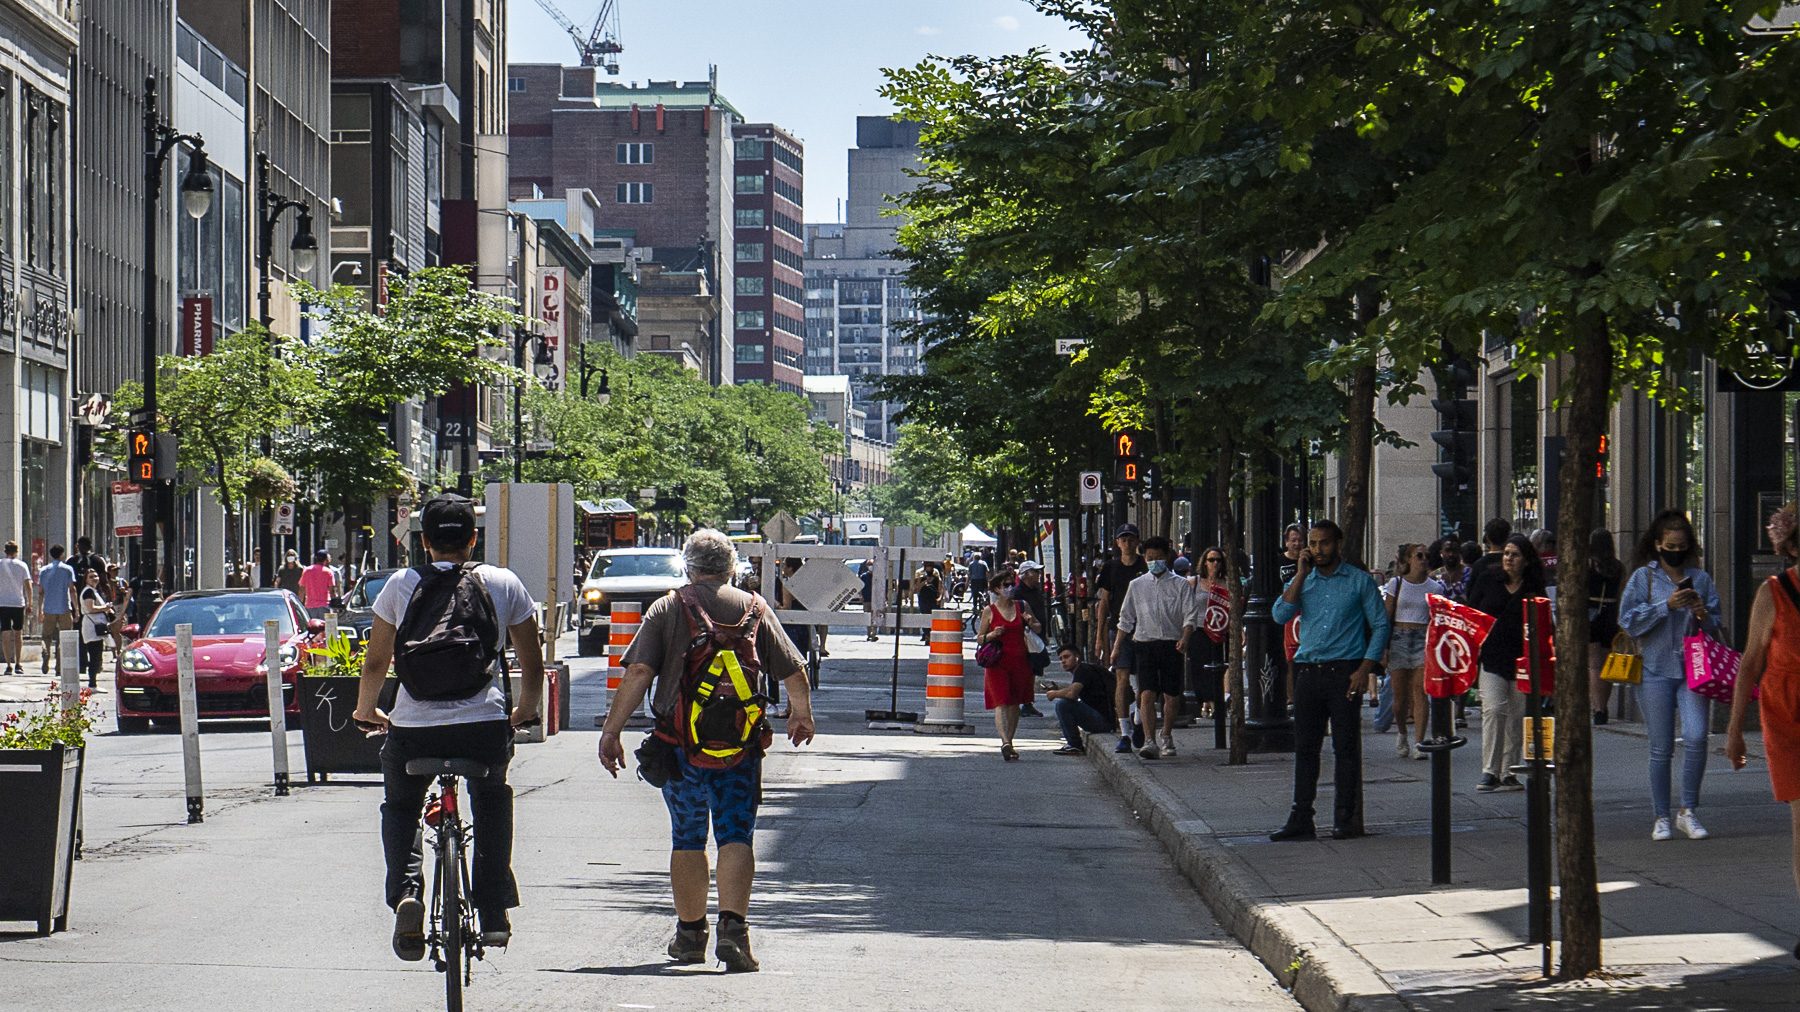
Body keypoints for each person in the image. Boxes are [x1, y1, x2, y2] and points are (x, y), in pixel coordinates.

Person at [599, 528, 815, 973]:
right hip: (739, 748)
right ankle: (734, 933)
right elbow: (793, 670)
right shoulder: (755, 609)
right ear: (731, 568)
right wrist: (801, 714)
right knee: (736, 835)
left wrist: (611, 730)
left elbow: (640, 671)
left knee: (688, 836)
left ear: (688, 567)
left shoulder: (668, 607)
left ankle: (691, 936)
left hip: (679, 746)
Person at [353, 493, 545, 960]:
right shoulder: (502, 582)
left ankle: (407, 895)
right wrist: (524, 710)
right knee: (493, 796)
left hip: (414, 727)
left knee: (401, 807)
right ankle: (495, 908)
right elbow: (531, 662)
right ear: (473, 538)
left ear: (424, 542)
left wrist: (366, 710)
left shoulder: (399, 585)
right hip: (482, 725)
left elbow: (378, 660)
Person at [1269, 519, 1391, 841]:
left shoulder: (1358, 581)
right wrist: (1299, 573)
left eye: (1324, 543)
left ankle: (1344, 817)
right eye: (1313, 543)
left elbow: (1380, 624)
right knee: (1306, 748)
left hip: (1344, 672)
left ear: (1337, 544)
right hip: (1308, 671)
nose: (1318, 549)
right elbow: (1280, 614)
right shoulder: (1304, 580)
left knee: (1345, 748)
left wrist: (1365, 668)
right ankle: (1301, 817)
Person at [1619, 509, 1721, 841]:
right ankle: (1661, 815)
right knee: (1660, 747)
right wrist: (1667, 606)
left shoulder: (1701, 579)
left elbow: (1717, 624)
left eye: (1681, 545)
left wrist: (1702, 612)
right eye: (1669, 544)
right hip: (1654, 668)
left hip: (1694, 669)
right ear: (1658, 544)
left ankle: (1688, 810)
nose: (1675, 551)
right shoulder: (1643, 579)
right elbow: (1628, 620)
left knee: (1696, 736)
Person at [1727, 502, 1800, 959]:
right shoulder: (1773, 593)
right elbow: (1751, 663)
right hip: (1786, 714)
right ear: (1790, 546)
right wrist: (1734, 731)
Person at [1468, 535, 1545, 793]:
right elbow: (1472, 611)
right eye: (1506, 554)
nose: (1508, 559)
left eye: (1515, 555)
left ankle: (1509, 771)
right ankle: (1490, 770)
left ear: (1526, 560)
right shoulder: (1488, 579)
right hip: (1491, 656)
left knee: (1516, 715)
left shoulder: (1534, 586)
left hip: (1522, 658)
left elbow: (1544, 621)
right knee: (1493, 709)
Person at [1111, 535, 1199, 761]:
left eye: (1158, 558)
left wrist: (1186, 637)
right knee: (1146, 692)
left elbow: (1190, 614)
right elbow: (1126, 618)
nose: (1154, 562)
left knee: (1171, 694)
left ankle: (1166, 734)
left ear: (1167, 557)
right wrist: (1117, 646)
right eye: (1150, 558)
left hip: (1172, 643)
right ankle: (1149, 740)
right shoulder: (1137, 586)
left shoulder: (1180, 585)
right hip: (1145, 643)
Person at [1384, 544, 1446, 760]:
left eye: (1427, 556)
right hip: (1400, 637)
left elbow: (1439, 618)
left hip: (1423, 638)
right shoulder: (1396, 583)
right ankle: (1402, 733)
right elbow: (1387, 616)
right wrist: (1384, 646)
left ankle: (1420, 742)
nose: (1424, 559)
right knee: (1400, 699)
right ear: (1409, 559)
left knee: (1420, 693)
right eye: (1419, 555)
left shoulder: (1436, 588)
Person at [1095, 524, 1147, 753]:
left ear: (1137, 542)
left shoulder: (1145, 566)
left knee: (1143, 681)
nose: (1127, 542)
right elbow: (1104, 603)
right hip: (1120, 630)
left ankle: (1138, 718)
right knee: (1122, 679)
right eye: (1123, 539)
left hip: (1146, 628)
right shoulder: (1110, 568)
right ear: (1117, 543)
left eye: (1131, 538)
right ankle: (1124, 731)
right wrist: (1099, 637)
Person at [978, 571, 1040, 761]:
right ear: (997, 589)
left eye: (1011, 584)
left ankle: (1010, 741)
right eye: (1005, 585)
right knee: (1001, 701)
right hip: (998, 662)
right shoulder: (989, 611)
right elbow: (980, 638)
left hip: (1020, 660)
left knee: (1015, 703)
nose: (1010, 588)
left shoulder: (1022, 606)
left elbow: (1038, 628)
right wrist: (992, 634)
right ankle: (1005, 741)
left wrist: (1031, 622)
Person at [1043, 643, 1115, 755]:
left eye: (1067, 657)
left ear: (1077, 657)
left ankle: (1074, 744)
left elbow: (1072, 694)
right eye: (1061, 658)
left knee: (1063, 705)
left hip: (1103, 721)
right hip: (1103, 719)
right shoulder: (1083, 670)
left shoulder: (1083, 670)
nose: (1063, 661)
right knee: (1065, 703)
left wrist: (1054, 693)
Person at [1186, 548, 1232, 721]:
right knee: (1200, 669)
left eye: (1218, 560)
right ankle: (1209, 702)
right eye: (1211, 560)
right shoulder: (1193, 582)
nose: (1215, 563)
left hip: (1220, 631)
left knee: (1221, 667)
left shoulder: (1227, 583)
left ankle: (1218, 701)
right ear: (1204, 562)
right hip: (1199, 630)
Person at [1586, 529, 1625, 725]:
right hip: (1610, 614)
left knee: (1594, 664)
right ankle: (1604, 706)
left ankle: (1598, 708)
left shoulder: (1588, 564)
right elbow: (1621, 592)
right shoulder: (1617, 567)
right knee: (1607, 663)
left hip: (1591, 613)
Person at [1013, 561, 1052, 714]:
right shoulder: (1018, 593)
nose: (1038, 575)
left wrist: (1044, 634)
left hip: (1037, 635)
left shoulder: (1036, 590)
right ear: (1027, 574)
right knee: (1025, 670)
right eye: (1035, 572)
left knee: (1033, 670)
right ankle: (1021, 701)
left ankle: (1027, 702)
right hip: (1025, 637)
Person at [36, 545, 77, 676]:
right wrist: (77, 609)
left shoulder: (44, 570)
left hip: (48, 608)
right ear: (62, 554)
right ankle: (59, 666)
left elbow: (41, 592)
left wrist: (40, 610)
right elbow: (72, 590)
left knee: (46, 636)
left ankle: (45, 650)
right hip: (64, 607)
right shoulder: (68, 569)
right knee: (64, 637)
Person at [0, 541, 31, 675]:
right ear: (16, 551)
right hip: (18, 603)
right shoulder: (22, 565)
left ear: (5, 551)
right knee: (18, 633)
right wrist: (30, 603)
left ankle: (8, 665)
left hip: (3, 603)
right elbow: (28, 586)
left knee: (5, 633)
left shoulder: (0, 564)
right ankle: (18, 663)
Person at [1465, 518, 1513, 601]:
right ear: (1508, 537)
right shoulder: (1514, 563)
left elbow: (1471, 595)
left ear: (1487, 538)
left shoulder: (1479, 565)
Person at [77, 570, 109, 688]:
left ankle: (93, 681)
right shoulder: (88, 591)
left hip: (96, 627)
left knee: (97, 655)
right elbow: (90, 608)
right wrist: (104, 608)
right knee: (94, 655)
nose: (94, 578)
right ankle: (92, 682)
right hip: (92, 628)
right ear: (86, 579)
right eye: (91, 577)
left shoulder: (94, 591)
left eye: (96, 576)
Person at [299, 549, 338, 614]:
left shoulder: (307, 571)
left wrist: (300, 604)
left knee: (311, 624)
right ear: (326, 560)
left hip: (310, 606)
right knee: (325, 624)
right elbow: (332, 591)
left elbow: (302, 589)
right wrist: (335, 606)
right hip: (324, 606)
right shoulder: (328, 572)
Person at [105, 564, 133, 655]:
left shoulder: (122, 582)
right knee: (111, 631)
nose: (116, 572)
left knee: (117, 631)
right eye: (113, 570)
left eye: (117, 570)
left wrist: (124, 591)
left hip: (120, 607)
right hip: (110, 607)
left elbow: (129, 595)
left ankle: (117, 651)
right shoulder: (106, 582)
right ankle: (114, 652)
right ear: (109, 572)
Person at [913, 561, 943, 642]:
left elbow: (940, 586)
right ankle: (926, 635)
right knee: (924, 616)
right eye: (927, 566)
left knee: (933, 617)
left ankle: (932, 635)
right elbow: (916, 589)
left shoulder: (936, 573)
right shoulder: (919, 573)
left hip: (933, 599)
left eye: (931, 566)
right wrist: (922, 582)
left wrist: (939, 598)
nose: (929, 568)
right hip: (923, 598)